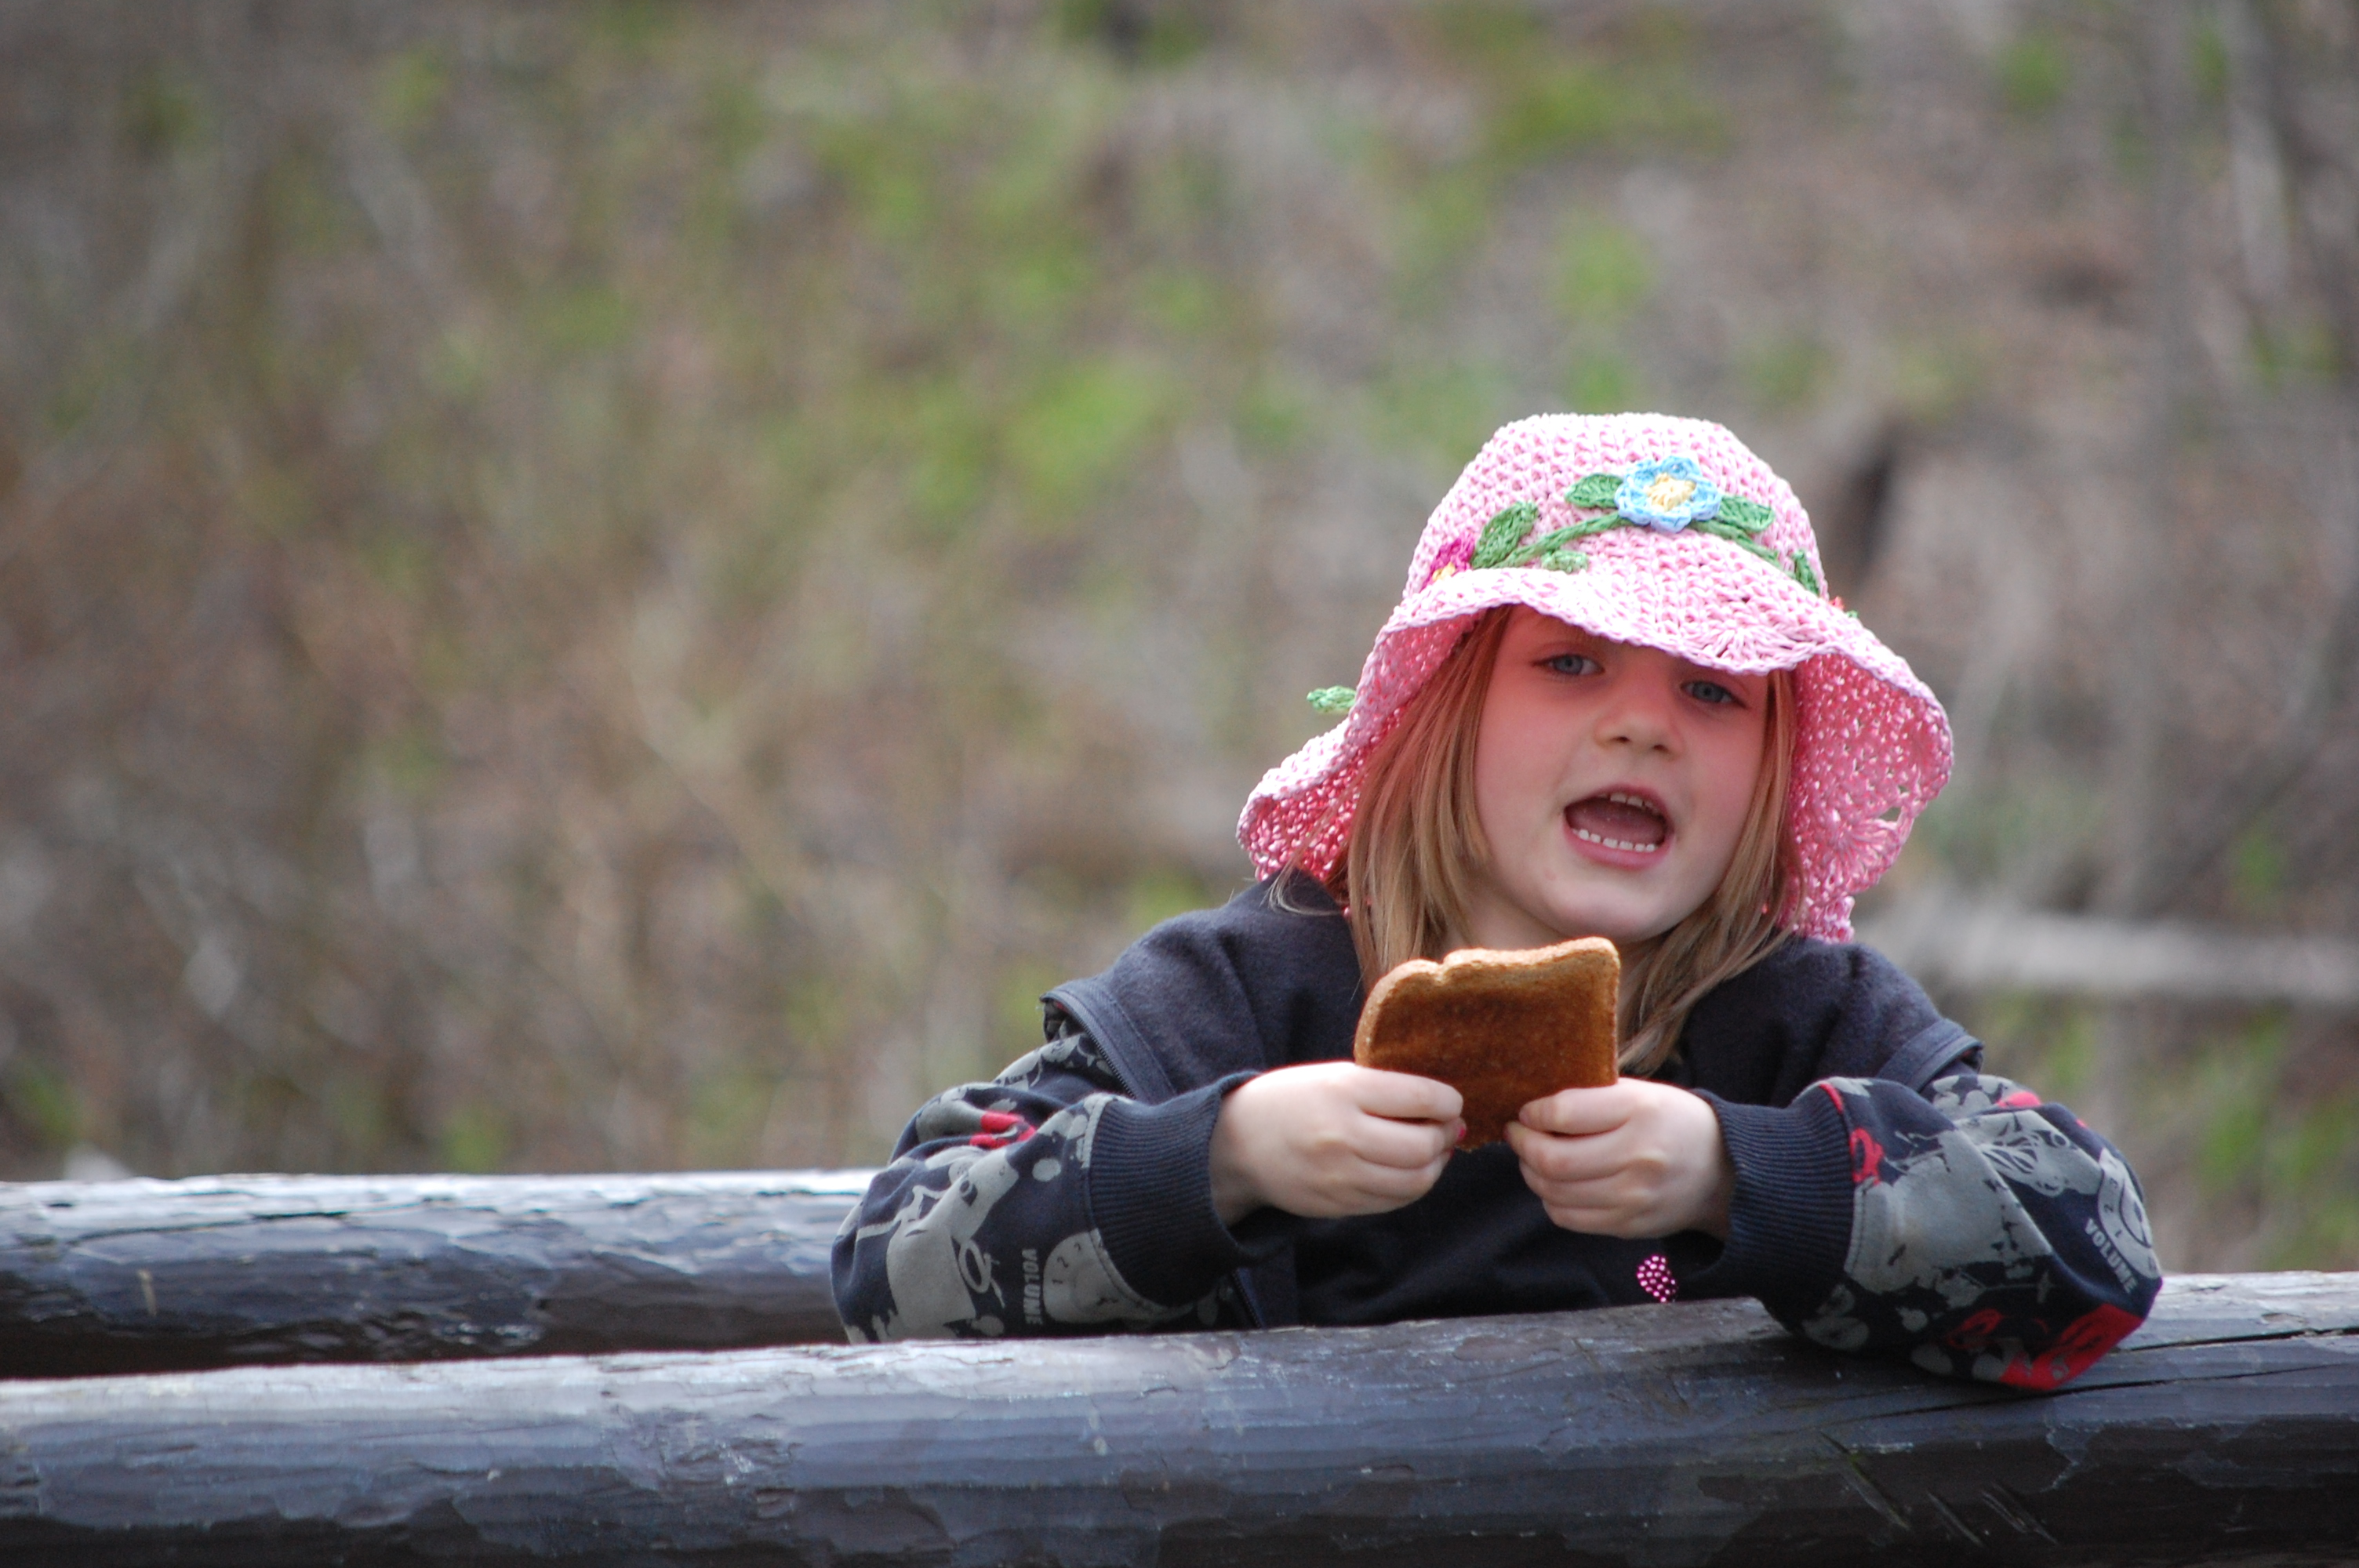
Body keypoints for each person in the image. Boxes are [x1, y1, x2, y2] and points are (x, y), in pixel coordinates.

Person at [832, 412, 2161, 1387]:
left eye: (1713, 688)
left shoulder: (1800, 1018)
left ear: (1772, 770)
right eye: (1571, 663)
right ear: (1448, 710)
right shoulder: (1248, 990)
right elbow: (893, 1264)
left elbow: (2094, 1248)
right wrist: (1225, 1157)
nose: (1643, 725)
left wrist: (1737, 1177)